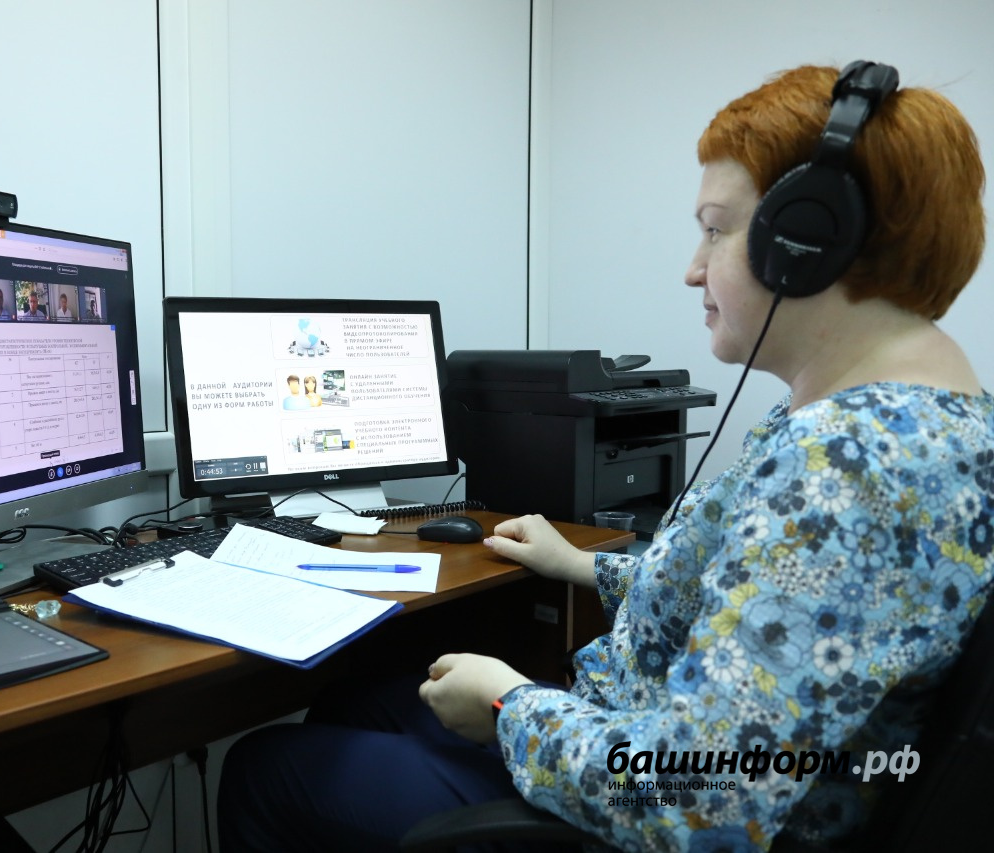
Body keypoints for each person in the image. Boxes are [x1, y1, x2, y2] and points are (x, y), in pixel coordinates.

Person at [217, 63, 992, 852]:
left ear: (809, 240)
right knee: (359, 699)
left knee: (264, 766)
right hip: (638, 732)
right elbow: (761, 601)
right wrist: (584, 564)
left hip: (630, 812)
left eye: (716, 229)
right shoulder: (929, 422)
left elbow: (700, 797)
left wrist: (509, 704)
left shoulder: (846, 468)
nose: (693, 267)